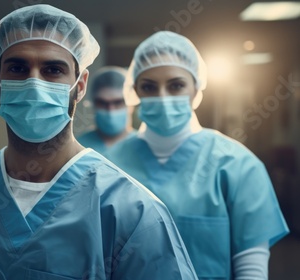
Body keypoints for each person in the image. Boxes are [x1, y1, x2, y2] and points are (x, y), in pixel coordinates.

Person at [0, 5, 198, 280]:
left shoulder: (132, 213)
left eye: (53, 70)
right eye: (18, 68)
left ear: (79, 86)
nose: (34, 82)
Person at [105, 31, 289, 280]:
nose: (163, 97)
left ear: (196, 88)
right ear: (135, 90)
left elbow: (250, 268)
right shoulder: (108, 166)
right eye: (149, 86)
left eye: (176, 85)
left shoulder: (237, 165)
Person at [77, 66, 136, 154]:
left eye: (118, 102)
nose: (110, 110)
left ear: (131, 104)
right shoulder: (78, 148)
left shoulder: (144, 147)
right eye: (102, 103)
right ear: (93, 104)